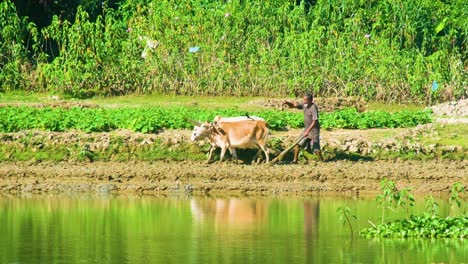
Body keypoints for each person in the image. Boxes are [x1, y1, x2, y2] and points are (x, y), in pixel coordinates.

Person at [283, 93, 324, 163]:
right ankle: (295, 160)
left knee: (315, 149)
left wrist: (308, 130)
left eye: (306, 100)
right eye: (303, 100)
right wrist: (287, 103)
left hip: (314, 131)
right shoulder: (304, 105)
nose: (304, 102)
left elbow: (315, 121)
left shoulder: (314, 108)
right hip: (306, 130)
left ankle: (322, 161)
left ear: (311, 100)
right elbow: (293, 106)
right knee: (297, 144)